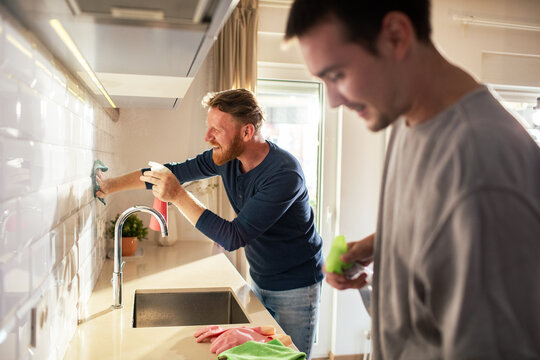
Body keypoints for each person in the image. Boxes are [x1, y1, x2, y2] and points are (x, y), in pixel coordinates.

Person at [285, 1, 540, 359]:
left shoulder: (483, 169)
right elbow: (442, 223)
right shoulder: (409, 118)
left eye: (337, 74)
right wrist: (380, 246)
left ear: (396, 35)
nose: (333, 100)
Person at [97, 88, 323, 358]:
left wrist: (178, 196)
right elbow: (170, 173)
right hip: (260, 276)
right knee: (263, 357)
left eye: (216, 130)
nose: (207, 137)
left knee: (290, 357)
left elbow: (233, 237)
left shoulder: (284, 174)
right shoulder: (226, 158)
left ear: (247, 132)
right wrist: (107, 186)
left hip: (297, 286)